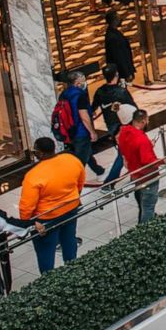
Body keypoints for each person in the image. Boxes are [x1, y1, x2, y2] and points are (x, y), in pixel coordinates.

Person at [18, 137, 86, 273]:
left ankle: (49, 280)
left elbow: (27, 206)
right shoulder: (71, 159)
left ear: (41, 153)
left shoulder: (33, 175)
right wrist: (72, 197)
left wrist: (27, 223)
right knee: (69, 240)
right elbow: (80, 181)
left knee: (46, 252)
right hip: (71, 208)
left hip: (46, 218)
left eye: (35, 151)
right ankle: (73, 271)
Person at [93, 62, 137, 185]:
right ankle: (109, 183)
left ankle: (135, 174)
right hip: (124, 125)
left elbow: (93, 108)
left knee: (126, 151)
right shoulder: (121, 92)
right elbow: (133, 109)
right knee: (122, 153)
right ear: (116, 74)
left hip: (111, 126)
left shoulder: (100, 92)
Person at [117, 108, 162, 222]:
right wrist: (162, 161)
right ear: (143, 121)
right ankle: (145, 230)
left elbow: (127, 148)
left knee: (141, 200)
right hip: (147, 175)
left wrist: (147, 146)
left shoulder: (124, 132)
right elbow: (147, 161)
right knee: (148, 205)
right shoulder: (141, 139)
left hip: (135, 172)